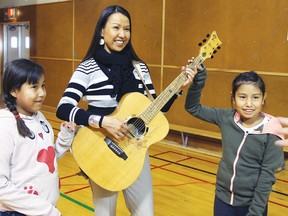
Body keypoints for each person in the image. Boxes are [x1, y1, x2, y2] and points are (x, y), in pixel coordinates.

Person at [56, 5, 195, 216]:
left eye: (127, 29)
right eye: (116, 28)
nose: (122, 34)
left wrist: (178, 87)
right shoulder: (87, 68)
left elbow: (157, 109)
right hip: (100, 149)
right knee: (105, 214)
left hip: (135, 151)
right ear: (101, 31)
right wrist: (102, 121)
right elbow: (63, 108)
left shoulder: (140, 68)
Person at [185, 67, 284, 216]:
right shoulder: (226, 117)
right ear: (233, 97)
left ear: (263, 98)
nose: (249, 104)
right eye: (242, 97)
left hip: (252, 205)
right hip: (222, 200)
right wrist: (198, 79)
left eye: (255, 97)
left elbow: (267, 177)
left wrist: (255, 213)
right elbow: (193, 107)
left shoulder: (272, 129)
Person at [0, 58, 77, 216]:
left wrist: (64, 138)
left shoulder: (39, 117)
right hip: (18, 212)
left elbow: (45, 160)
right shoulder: (5, 126)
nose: (42, 93)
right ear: (14, 91)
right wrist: (46, 211)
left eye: (43, 86)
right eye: (34, 87)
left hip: (45, 208)